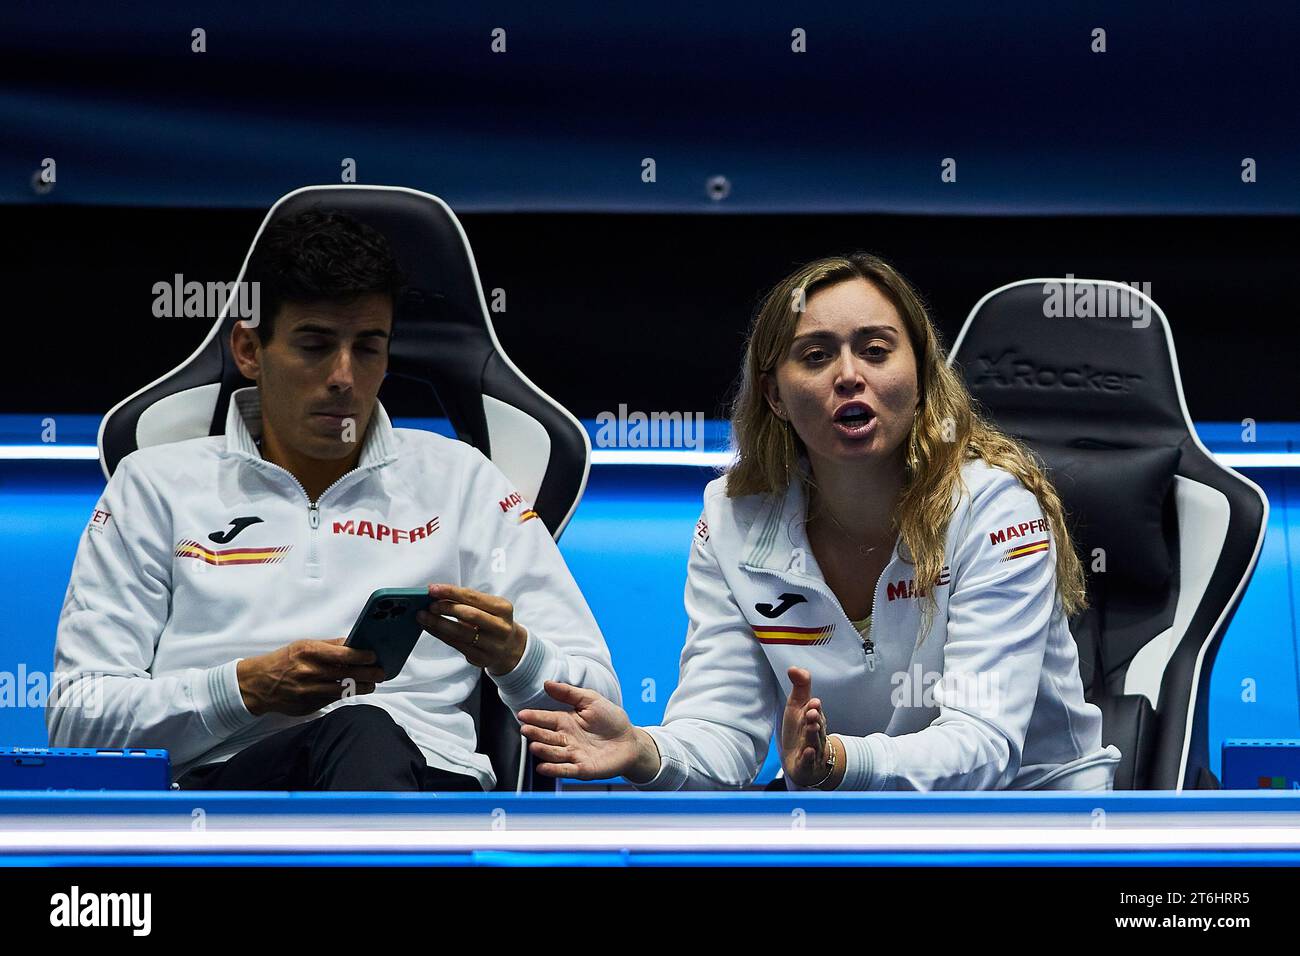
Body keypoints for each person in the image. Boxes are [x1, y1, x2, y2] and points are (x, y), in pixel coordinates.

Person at [47, 207, 619, 791]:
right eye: (316, 345)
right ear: (248, 349)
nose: (344, 376)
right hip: (226, 802)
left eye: (368, 347)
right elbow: (76, 720)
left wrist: (515, 657)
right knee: (358, 730)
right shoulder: (153, 486)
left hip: (429, 789)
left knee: (365, 729)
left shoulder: (464, 481)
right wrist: (244, 690)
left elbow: (598, 709)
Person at [519, 253, 1122, 791]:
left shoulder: (993, 508)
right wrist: (644, 751)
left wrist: (837, 763)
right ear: (775, 396)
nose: (849, 374)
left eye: (877, 350)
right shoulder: (732, 518)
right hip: (851, 819)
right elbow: (721, 730)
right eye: (815, 355)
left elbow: (983, 745)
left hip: (1032, 820)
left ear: (922, 379)